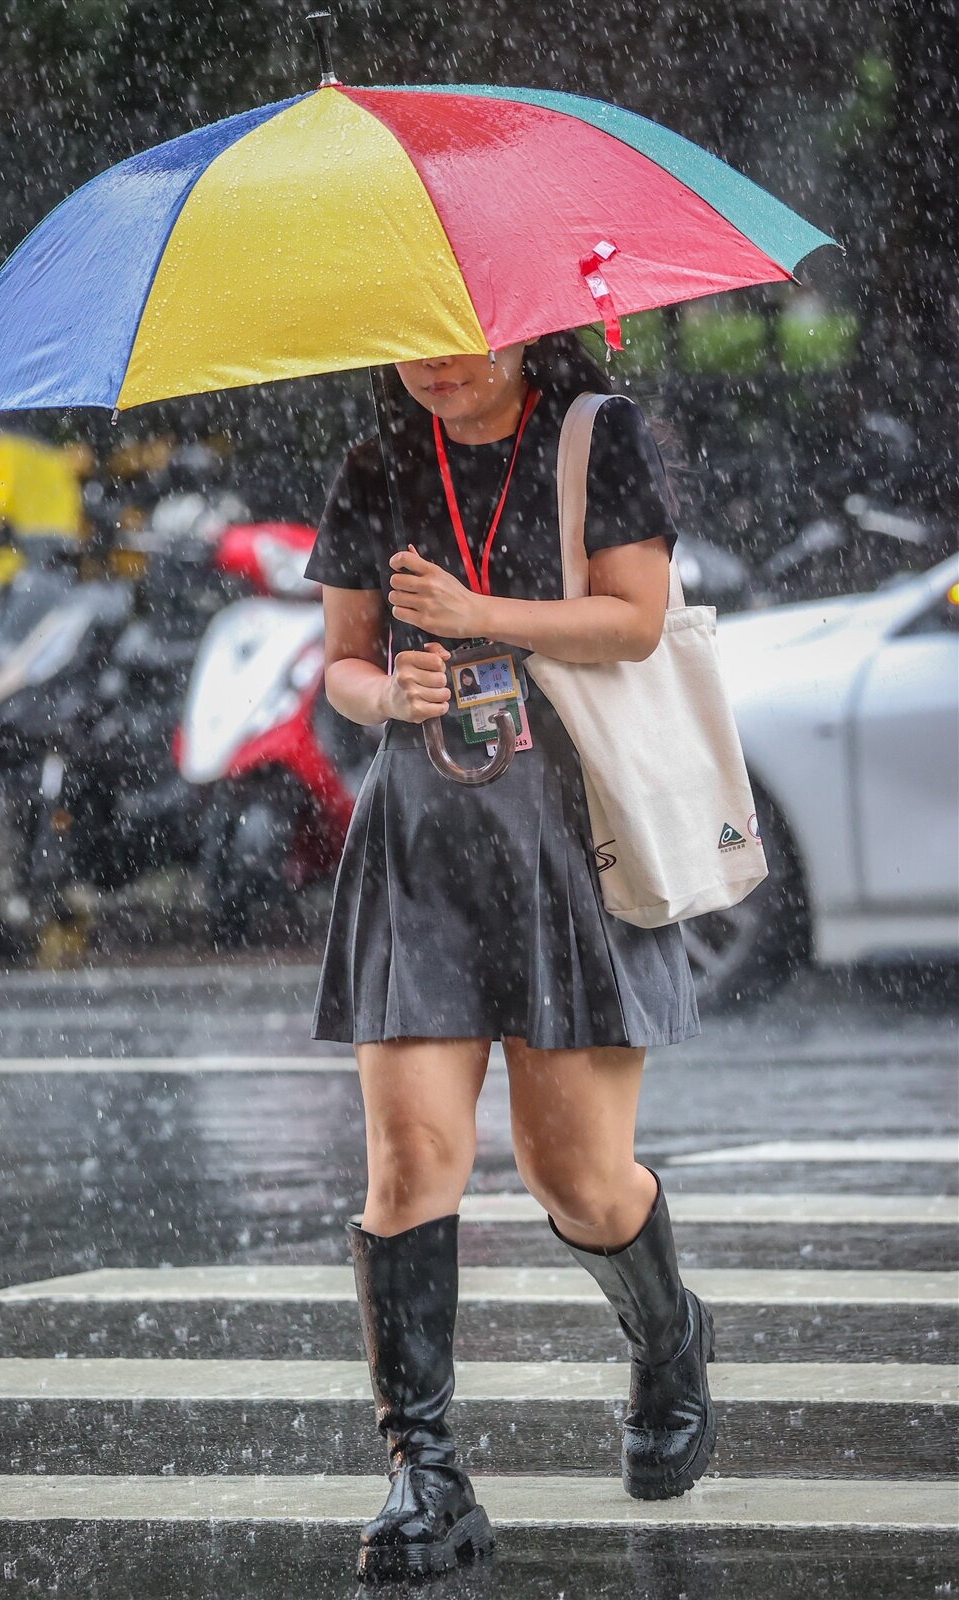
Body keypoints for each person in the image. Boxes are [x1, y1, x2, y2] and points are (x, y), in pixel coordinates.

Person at [303, 330, 715, 1584]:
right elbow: (340, 664)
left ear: (521, 322)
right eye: (409, 339)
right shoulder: (376, 462)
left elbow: (635, 621)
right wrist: (391, 697)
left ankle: (669, 1334)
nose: (433, 361)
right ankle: (423, 1473)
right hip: (420, 841)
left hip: (568, 837)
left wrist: (481, 617)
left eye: (459, 337)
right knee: (410, 1156)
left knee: (577, 1178)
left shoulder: (598, 439)